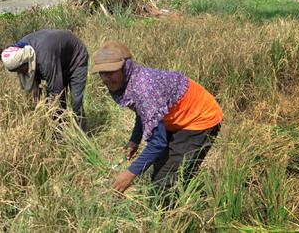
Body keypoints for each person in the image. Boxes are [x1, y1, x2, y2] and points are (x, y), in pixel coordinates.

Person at [92, 41, 223, 205]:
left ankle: (187, 212)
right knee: (162, 172)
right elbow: (144, 111)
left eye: (111, 71)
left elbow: (158, 142)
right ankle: (186, 198)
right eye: (102, 73)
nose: (106, 78)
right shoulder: (127, 83)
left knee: (164, 183)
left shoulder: (143, 87)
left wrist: (130, 173)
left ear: (125, 67)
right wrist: (135, 139)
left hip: (199, 118)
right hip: (175, 119)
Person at [1, 30, 89, 131]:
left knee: (75, 104)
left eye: (21, 70)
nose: (21, 73)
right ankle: (60, 137)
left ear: (26, 62)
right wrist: (38, 107)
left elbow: (56, 92)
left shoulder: (44, 60)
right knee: (59, 105)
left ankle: (83, 134)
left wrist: (46, 114)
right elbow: (37, 89)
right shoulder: (20, 50)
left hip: (76, 59)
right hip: (58, 59)